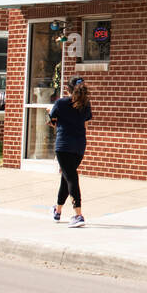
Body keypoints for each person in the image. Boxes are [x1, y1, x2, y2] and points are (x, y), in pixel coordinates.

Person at [49, 77, 92, 227]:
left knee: (71, 178)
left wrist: (56, 119)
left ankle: (78, 215)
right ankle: (58, 210)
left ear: (68, 89)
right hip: (79, 146)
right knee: (66, 178)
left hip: (63, 146)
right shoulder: (86, 105)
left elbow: (51, 121)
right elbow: (84, 125)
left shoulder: (60, 103)